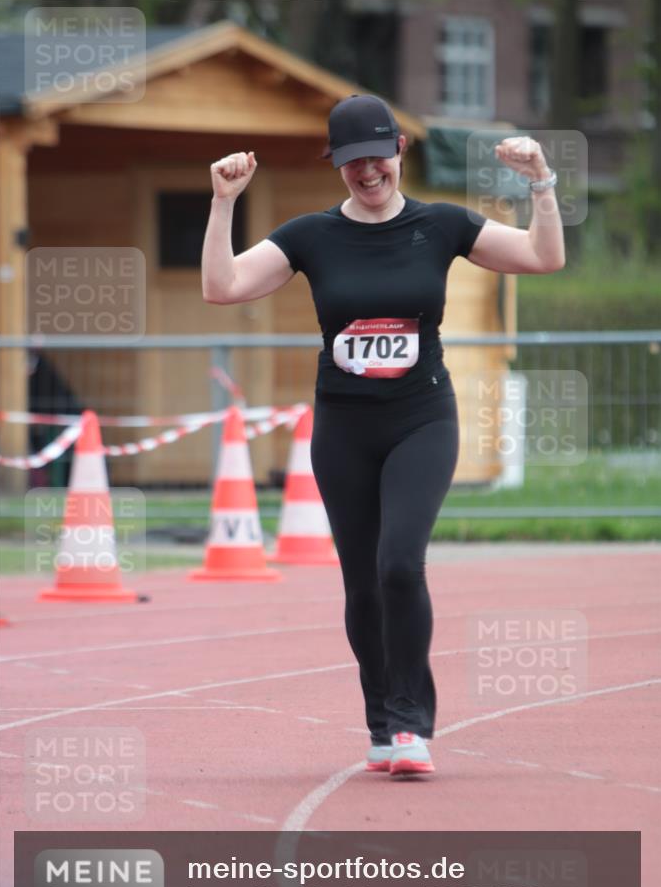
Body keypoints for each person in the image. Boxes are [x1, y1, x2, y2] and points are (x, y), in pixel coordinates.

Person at [202, 93, 565, 777]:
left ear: (398, 151)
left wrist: (540, 182)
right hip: (343, 427)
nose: (365, 173)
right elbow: (221, 287)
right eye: (349, 163)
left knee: (400, 564)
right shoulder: (310, 236)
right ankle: (379, 722)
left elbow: (542, 258)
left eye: (376, 157)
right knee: (362, 584)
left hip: (420, 418)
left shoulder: (442, 225)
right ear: (335, 165)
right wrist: (223, 200)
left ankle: (409, 725)